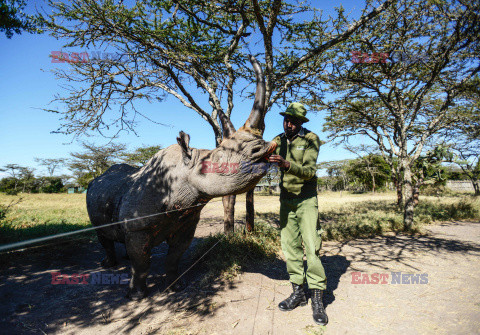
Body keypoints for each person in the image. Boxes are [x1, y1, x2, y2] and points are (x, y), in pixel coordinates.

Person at [268, 102, 328, 325]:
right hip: (286, 200)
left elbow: (310, 172)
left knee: (311, 247)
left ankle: (317, 299)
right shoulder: (279, 139)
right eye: (286, 119)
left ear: (301, 122)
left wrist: (286, 164)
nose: (288, 124)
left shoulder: (311, 139)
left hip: (306, 200)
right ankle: (298, 293)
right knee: (289, 246)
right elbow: (264, 151)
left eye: (293, 121)